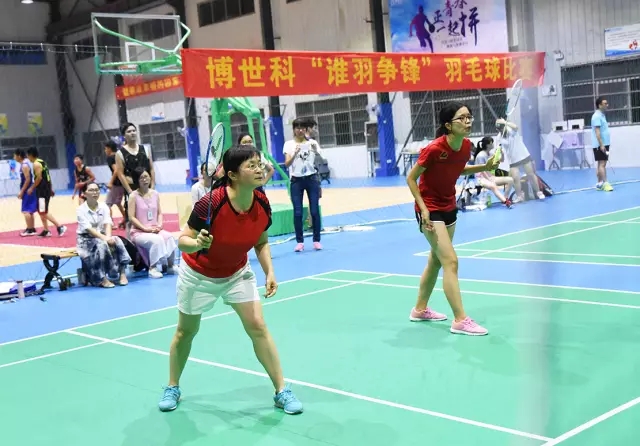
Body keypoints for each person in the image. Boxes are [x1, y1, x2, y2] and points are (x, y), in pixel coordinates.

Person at [158, 145, 303, 415]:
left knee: (258, 326)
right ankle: (172, 386)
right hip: (199, 275)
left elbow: (261, 241)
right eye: (251, 165)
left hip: (236, 273)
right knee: (186, 332)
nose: (259, 169)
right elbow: (182, 241)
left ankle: (281, 390)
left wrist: (269, 271)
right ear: (233, 175)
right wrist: (198, 243)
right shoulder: (210, 203)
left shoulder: (261, 202)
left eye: (259, 163)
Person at [406, 102, 500, 336]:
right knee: (451, 262)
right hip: (430, 209)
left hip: (449, 206)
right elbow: (411, 178)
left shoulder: (466, 146)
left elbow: (459, 169)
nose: (468, 121)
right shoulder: (434, 149)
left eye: (469, 117)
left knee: (436, 261)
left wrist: (485, 166)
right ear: (448, 125)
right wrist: (423, 209)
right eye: (462, 118)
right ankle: (460, 320)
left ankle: (419, 310)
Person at [76, 182, 131, 288]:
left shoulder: (103, 206)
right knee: (100, 245)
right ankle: (101, 279)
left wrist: (108, 237)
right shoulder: (80, 210)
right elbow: (89, 229)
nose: (95, 192)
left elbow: (107, 222)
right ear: (84, 193)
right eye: (91, 190)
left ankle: (122, 273)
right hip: (85, 240)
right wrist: (105, 239)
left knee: (117, 240)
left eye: (96, 190)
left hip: (102, 236)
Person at [128, 167, 178, 279]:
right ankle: (153, 268)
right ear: (137, 180)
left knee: (169, 237)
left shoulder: (155, 193)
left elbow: (159, 213)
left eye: (146, 176)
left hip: (155, 229)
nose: (145, 179)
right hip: (139, 232)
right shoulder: (133, 196)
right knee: (157, 240)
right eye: (141, 178)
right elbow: (131, 217)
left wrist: (159, 225)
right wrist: (145, 229)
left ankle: (170, 266)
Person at [283, 118, 323, 252]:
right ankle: (300, 242)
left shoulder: (312, 143)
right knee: (298, 212)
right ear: (294, 129)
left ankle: (316, 240)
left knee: (314, 211)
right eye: (297, 128)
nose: (300, 130)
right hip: (296, 181)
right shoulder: (289, 144)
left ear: (306, 129)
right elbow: (287, 164)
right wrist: (295, 153)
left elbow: (320, 160)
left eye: (302, 128)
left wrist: (315, 150)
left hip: (312, 179)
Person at [495, 119, 545, 202]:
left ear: (505, 126)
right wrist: (500, 153)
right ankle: (519, 196)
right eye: (499, 129)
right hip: (512, 159)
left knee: (530, 174)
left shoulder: (511, 131)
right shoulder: (498, 137)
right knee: (515, 178)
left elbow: (516, 127)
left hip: (523, 155)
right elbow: (499, 149)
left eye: (502, 128)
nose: (501, 130)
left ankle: (538, 192)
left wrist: (505, 122)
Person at [25, 147, 67, 237]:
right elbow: (47, 176)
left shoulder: (36, 164)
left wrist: (31, 188)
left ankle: (59, 226)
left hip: (42, 190)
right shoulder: (41, 161)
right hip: (45, 188)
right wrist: (50, 188)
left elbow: (39, 178)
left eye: (27, 156)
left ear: (30, 155)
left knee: (43, 211)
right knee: (41, 210)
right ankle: (46, 230)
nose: (27, 157)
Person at [472, 137, 514, 208]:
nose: (493, 144)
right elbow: (482, 170)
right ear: (487, 145)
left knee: (510, 180)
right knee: (493, 185)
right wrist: (489, 179)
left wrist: (502, 153)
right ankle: (506, 202)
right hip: (480, 179)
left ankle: (505, 198)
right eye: (492, 143)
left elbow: (501, 160)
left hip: (490, 177)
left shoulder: (490, 154)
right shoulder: (480, 155)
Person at [591, 97, 613, 191]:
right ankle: (605, 183)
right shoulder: (596, 116)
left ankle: (599, 183)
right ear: (599, 105)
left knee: (600, 163)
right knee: (602, 164)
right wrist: (601, 145)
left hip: (604, 143)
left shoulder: (602, 115)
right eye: (605, 103)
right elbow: (597, 132)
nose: (607, 105)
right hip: (600, 144)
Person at [14, 149, 37, 236]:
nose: (14, 157)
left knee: (26, 210)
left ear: (19, 156)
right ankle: (31, 228)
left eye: (15, 155)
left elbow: (28, 180)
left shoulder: (24, 165)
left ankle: (30, 229)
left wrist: (22, 191)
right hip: (29, 189)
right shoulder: (25, 164)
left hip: (28, 189)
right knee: (29, 210)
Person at [104, 140, 126, 229]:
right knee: (118, 202)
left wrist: (111, 182)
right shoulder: (119, 155)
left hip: (117, 183)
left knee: (107, 204)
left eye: (106, 149)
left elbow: (116, 170)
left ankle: (110, 224)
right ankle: (126, 219)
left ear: (109, 148)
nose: (105, 151)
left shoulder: (110, 158)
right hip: (123, 182)